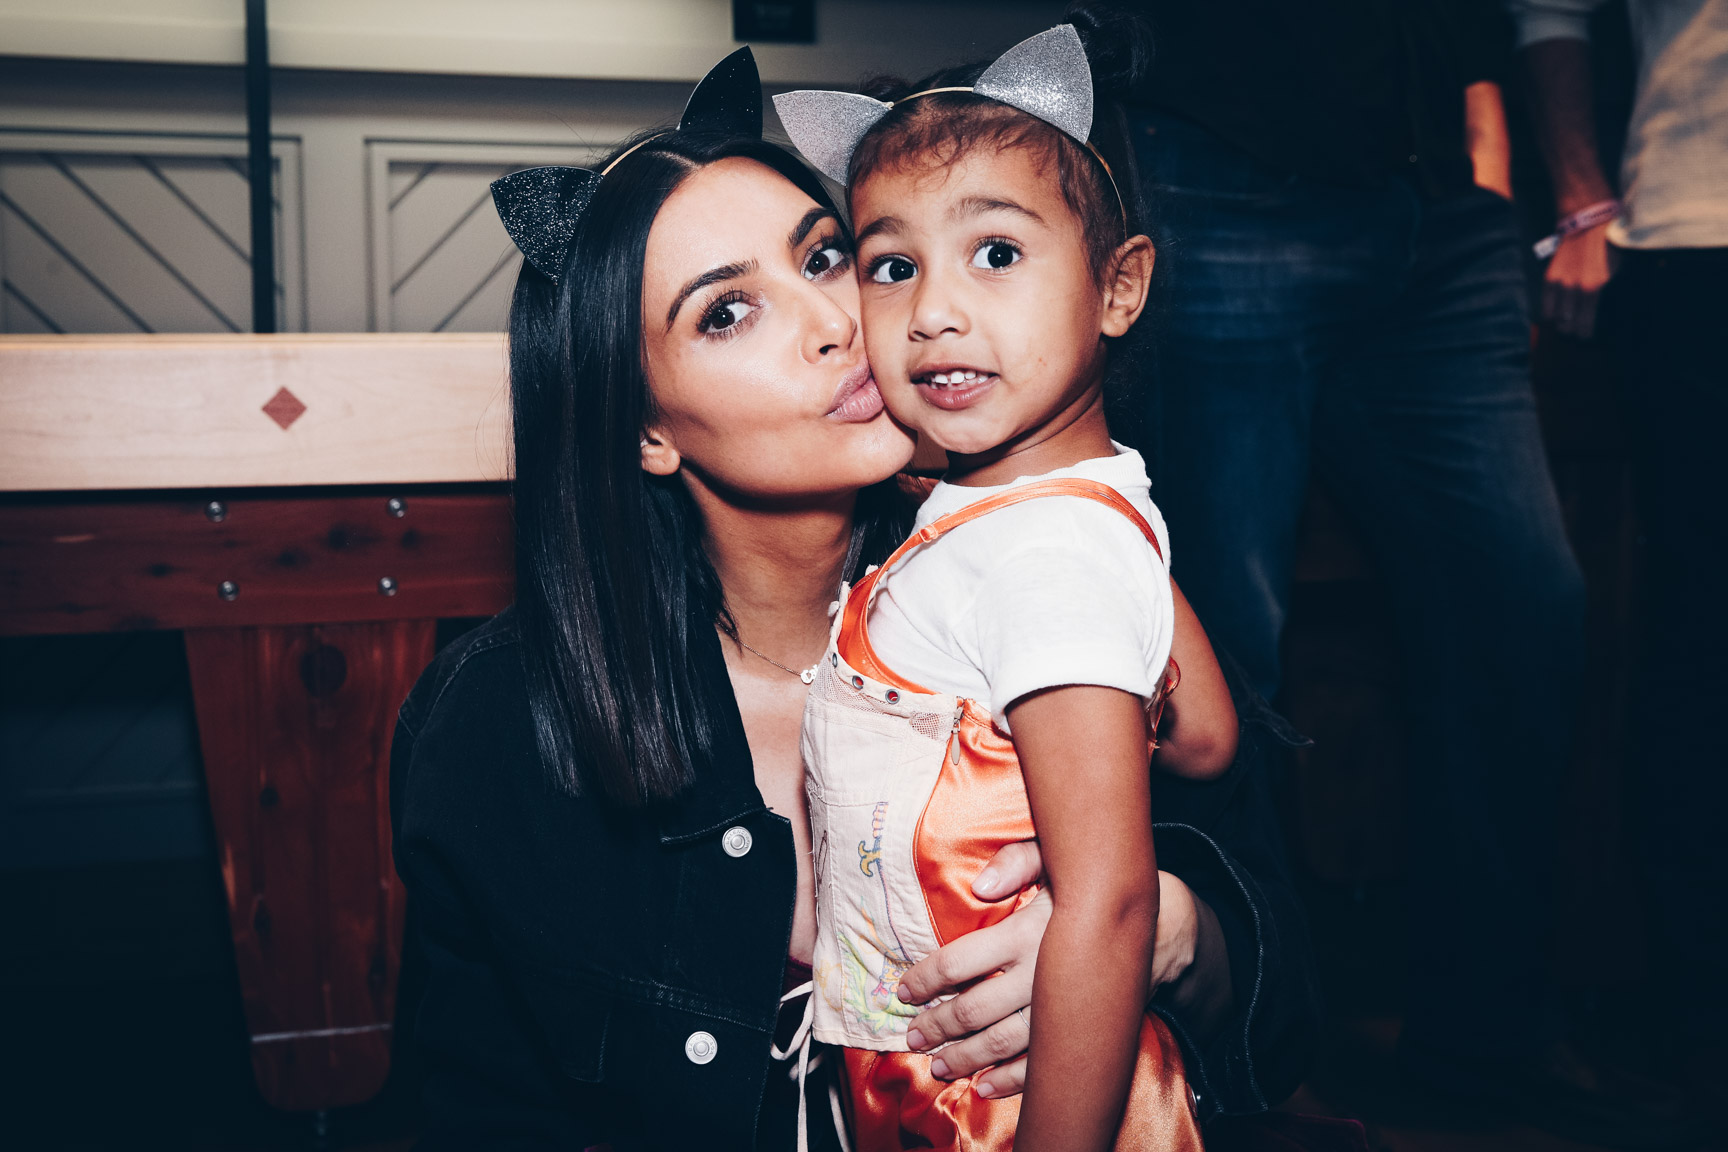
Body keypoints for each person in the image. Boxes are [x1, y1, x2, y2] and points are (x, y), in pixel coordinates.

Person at [391, 47, 1317, 1152]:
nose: (839, 321)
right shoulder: (504, 723)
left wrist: (1173, 933)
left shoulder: (1050, 567)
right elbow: (475, 1116)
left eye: (828, 255)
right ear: (645, 429)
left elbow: (1290, 997)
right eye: (726, 312)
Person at [1100, 0, 1596, 1123]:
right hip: (1222, 171)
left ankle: (1484, 1037)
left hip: (1439, 203)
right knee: (1224, 659)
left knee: (1525, 613)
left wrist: (1487, 169)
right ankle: (1259, 1054)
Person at [774, 19, 1235, 1151]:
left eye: (996, 253)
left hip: (1009, 1109)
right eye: (892, 266)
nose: (933, 310)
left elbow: (1112, 902)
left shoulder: (1040, 558)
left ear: (1118, 289)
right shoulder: (1059, 513)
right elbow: (1210, 737)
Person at [1514, 0, 1728, 1126]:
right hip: (1697, 237)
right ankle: (1701, 1015)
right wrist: (1583, 197)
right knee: (1707, 636)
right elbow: (1547, 10)